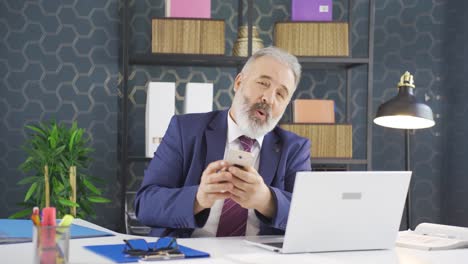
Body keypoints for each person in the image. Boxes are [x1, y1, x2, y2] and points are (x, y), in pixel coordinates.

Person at [134, 46, 311, 238]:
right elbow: (145, 205)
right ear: (238, 82)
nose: (268, 98)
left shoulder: (294, 148)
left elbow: (309, 218)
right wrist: (198, 199)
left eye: (280, 94)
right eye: (263, 83)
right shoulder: (185, 130)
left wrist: (266, 200)